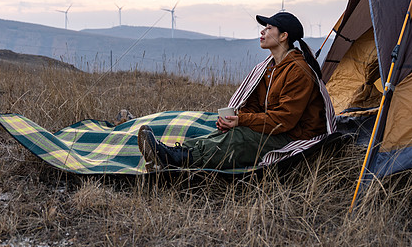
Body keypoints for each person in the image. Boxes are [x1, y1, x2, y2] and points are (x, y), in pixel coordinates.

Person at [137, 11, 334, 170]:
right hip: (277, 128)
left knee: (239, 138)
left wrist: (242, 121)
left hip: (295, 135)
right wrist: (235, 120)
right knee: (226, 132)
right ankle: (173, 154)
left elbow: (284, 120)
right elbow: (255, 105)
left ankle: (176, 160)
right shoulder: (268, 68)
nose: (263, 32)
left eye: (269, 28)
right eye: (264, 28)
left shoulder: (298, 70)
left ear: (284, 36)